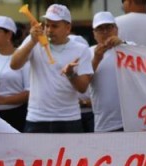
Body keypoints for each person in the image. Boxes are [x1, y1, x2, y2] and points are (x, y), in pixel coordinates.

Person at [10, 4, 93, 133]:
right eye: (47, 25)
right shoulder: (33, 41)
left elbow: (83, 88)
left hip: (69, 118)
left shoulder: (81, 49)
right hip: (37, 118)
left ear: (68, 28)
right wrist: (32, 41)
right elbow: (14, 65)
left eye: (55, 26)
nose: (49, 30)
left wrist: (70, 74)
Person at [89, 12, 127, 133]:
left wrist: (123, 45)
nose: (105, 32)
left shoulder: (131, 47)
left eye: (109, 27)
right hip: (105, 124)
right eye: (100, 29)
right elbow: (83, 83)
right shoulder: (88, 53)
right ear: (94, 34)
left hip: (132, 121)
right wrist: (96, 58)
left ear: (116, 29)